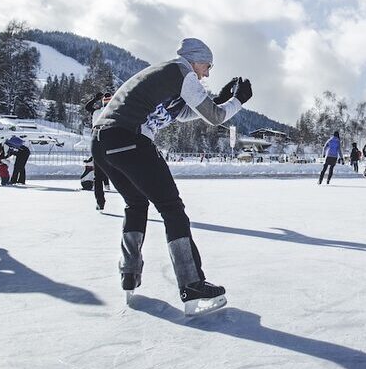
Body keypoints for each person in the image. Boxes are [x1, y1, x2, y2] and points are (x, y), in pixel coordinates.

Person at [92, 37, 250, 316]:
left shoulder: (169, 78)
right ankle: (192, 285)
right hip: (130, 139)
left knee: (136, 204)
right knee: (172, 209)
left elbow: (188, 112)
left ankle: (129, 273)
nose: (207, 73)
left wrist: (220, 99)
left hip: (103, 143)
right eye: (207, 66)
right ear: (195, 59)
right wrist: (238, 101)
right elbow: (214, 117)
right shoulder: (182, 72)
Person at [85, 91, 113, 209]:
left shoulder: (96, 112)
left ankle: (100, 202)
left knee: (98, 176)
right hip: (111, 143)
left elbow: (87, 107)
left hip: (97, 142)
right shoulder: (115, 112)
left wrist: (94, 99)